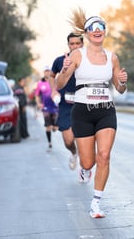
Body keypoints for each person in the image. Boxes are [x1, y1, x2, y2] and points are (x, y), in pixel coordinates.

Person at [56, 9, 128, 218]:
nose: (97, 31)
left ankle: (96, 203)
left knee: (104, 156)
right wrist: (64, 70)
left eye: (101, 28)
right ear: (86, 33)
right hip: (82, 111)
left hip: (105, 110)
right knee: (88, 162)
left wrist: (122, 81)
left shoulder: (112, 57)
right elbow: (60, 84)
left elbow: (120, 88)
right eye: (93, 28)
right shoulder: (77, 55)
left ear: (105, 32)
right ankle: (84, 169)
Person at [49, 32, 84, 170]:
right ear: (68, 45)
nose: (74, 46)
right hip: (65, 105)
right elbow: (52, 76)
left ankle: (84, 167)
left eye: (77, 43)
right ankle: (74, 153)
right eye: (72, 43)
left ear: (82, 44)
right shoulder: (60, 61)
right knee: (68, 140)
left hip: (83, 105)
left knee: (83, 140)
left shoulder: (87, 61)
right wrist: (53, 90)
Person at [35, 66, 59, 151]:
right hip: (45, 107)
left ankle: (55, 127)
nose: (47, 72)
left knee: (55, 128)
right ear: (44, 72)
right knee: (48, 126)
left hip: (55, 107)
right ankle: (49, 143)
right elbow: (37, 95)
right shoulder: (40, 83)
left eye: (49, 71)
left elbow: (60, 92)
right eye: (46, 71)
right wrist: (38, 103)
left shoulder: (55, 82)